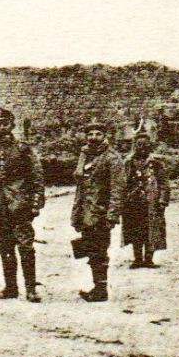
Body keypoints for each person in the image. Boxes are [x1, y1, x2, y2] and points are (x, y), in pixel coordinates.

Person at [0, 106, 45, 303]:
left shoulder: (24, 150)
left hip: (19, 206)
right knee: (5, 247)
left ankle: (31, 289)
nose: (3, 127)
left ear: (12, 125)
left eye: (6, 123)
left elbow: (37, 178)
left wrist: (35, 204)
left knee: (25, 247)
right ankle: (11, 287)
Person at [71, 120, 126, 302]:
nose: (93, 138)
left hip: (100, 213)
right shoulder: (85, 155)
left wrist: (112, 215)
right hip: (85, 212)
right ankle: (97, 286)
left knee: (99, 251)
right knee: (91, 249)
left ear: (105, 136)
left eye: (98, 134)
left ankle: (101, 290)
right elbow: (81, 186)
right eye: (90, 134)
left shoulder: (112, 158)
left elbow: (118, 189)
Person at [121, 132, 170, 269]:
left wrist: (163, 200)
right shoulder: (128, 162)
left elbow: (164, 183)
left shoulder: (156, 163)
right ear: (134, 146)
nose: (142, 148)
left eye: (145, 145)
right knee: (135, 230)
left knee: (152, 230)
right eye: (139, 145)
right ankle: (137, 259)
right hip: (133, 202)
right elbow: (122, 182)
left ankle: (149, 259)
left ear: (150, 146)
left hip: (152, 202)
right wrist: (122, 200)